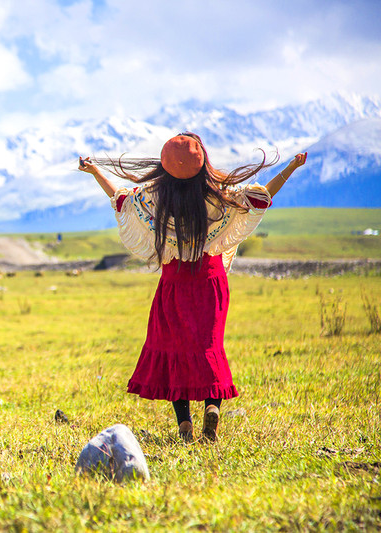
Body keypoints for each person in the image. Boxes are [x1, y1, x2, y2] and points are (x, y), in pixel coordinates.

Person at [79, 132, 307, 442]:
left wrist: (95, 172)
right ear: (202, 164)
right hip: (211, 281)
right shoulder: (218, 195)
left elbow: (120, 199)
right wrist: (290, 168)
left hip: (173, 283)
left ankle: (184, 423)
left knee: (175, 349)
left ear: (164, 165)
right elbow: (261, 196)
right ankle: (212, 407)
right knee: (207, 347)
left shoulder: (153, 199)